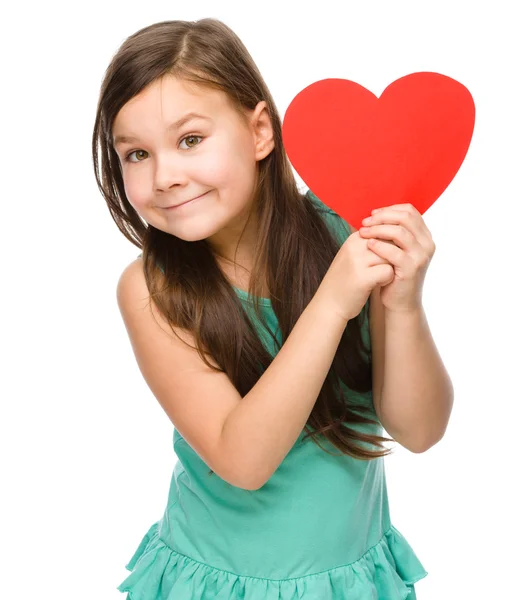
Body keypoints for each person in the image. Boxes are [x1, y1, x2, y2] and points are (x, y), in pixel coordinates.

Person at [92, 17, 453, 599]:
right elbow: (244, 459)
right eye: (136, 154)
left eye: (190, 140)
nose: (165, 176)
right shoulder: (151, 291)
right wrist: (334, 302)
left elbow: (421, 429)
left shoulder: (346, 231)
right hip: (218, 585)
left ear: (260, 132)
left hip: (353, 580)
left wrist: (403, 302)